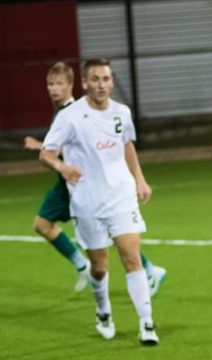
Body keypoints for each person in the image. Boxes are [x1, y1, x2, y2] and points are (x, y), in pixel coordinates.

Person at [39, 59, 160, 345]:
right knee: (100, 266)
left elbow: (127, 144)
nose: (101, 84)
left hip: (120, 196)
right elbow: (46, 153)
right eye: (95, 79)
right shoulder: (70, 117)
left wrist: (139, 179)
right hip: (87, 202)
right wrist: (63, 168)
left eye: (106, 79)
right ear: (85, 83)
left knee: (132, 259)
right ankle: (103, 311)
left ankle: (147, 323)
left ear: (112, 81)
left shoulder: (121, 112)